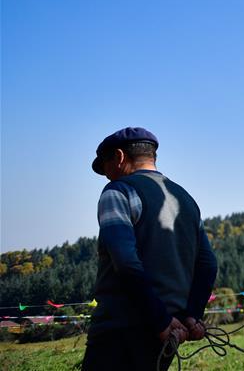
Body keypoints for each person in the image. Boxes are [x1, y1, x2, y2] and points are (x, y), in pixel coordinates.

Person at [82, 127, 218, 371]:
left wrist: (159, 321)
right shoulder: (185, 199)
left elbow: (126, 262)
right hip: (169, 332)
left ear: (120, 157)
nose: (106, 176)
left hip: (120, 330)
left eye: (105, 166)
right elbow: (208, 264)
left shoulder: (118, 192)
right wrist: (191, 315)